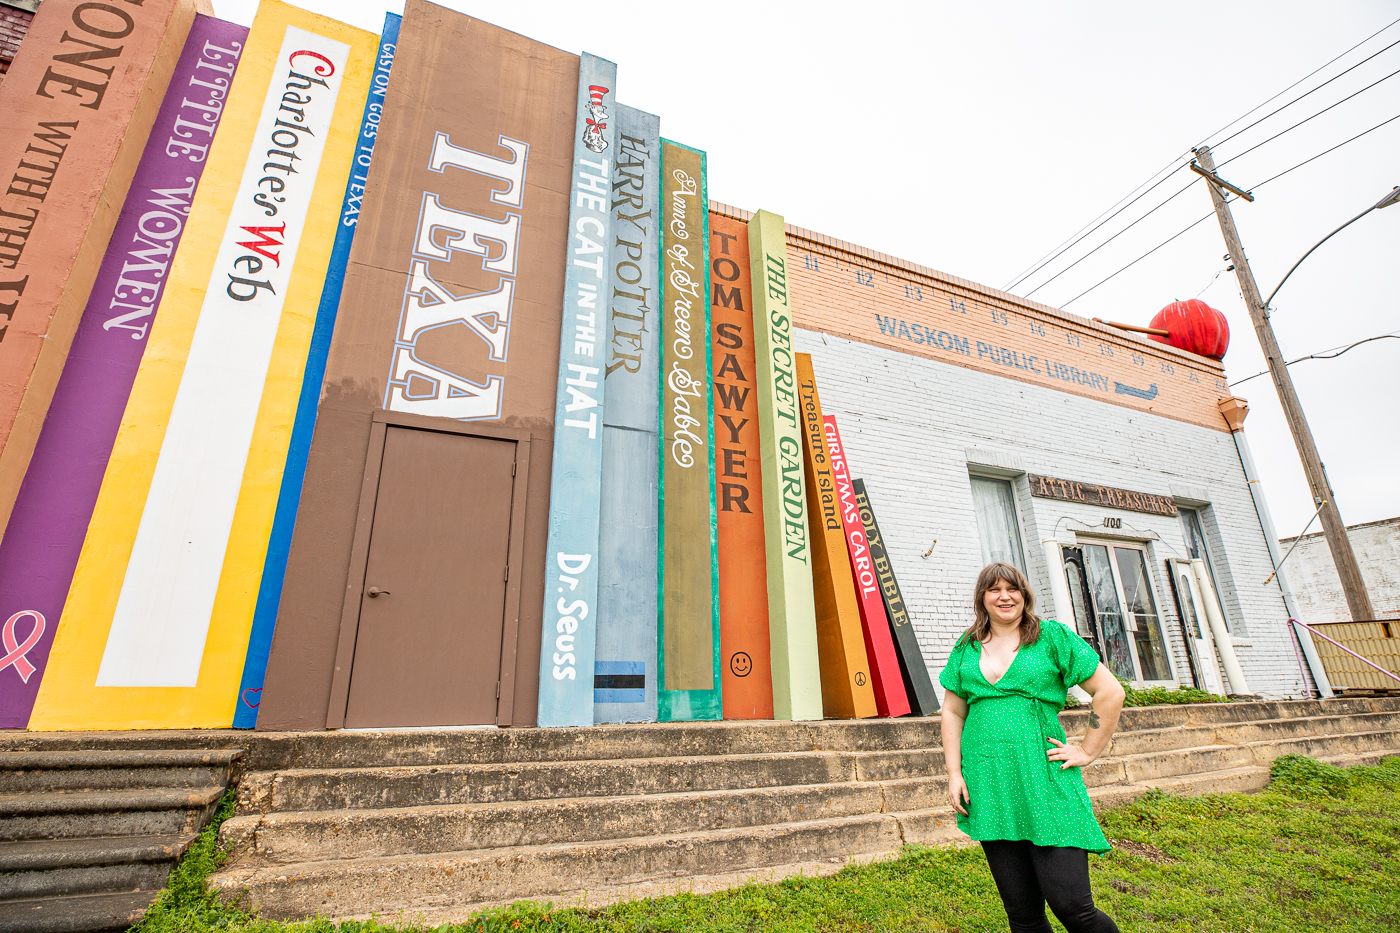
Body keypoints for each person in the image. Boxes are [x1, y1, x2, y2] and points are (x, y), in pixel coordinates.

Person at [939, 561, 1127, 933]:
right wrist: (954, 772)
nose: (1004, 596)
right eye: (994, 590)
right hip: (990, 783)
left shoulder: (1052, 637)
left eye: (1013, 589)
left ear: (1025, 596)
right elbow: (952, 711)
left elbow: (1110, 692)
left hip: (1044, 779)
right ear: (983, 598)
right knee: (1022, 915)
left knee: (1073, 907)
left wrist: (1087, 751)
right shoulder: (967, 646)